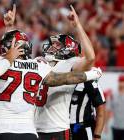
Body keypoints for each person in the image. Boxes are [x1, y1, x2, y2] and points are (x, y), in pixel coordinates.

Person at [0, 28, 103, 140]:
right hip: (30, 132)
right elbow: (61, 79)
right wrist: (90, 74)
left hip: (2, 131)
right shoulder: (39, 66)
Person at [35, 5, 96, 140]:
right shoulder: (40, 61)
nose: (52, 46)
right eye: (53, 43)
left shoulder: (69, 63)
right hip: (33, 127)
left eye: (57, 45)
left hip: (56, 129)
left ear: (69, 49)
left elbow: (90, 57)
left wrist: (78, 26)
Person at [106, 74, 124, 140]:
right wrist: (106, 125)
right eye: (120, 81)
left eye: (123, 81)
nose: (122, 83)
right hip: (116, 126)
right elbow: (108, 111)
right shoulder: (112, 95)